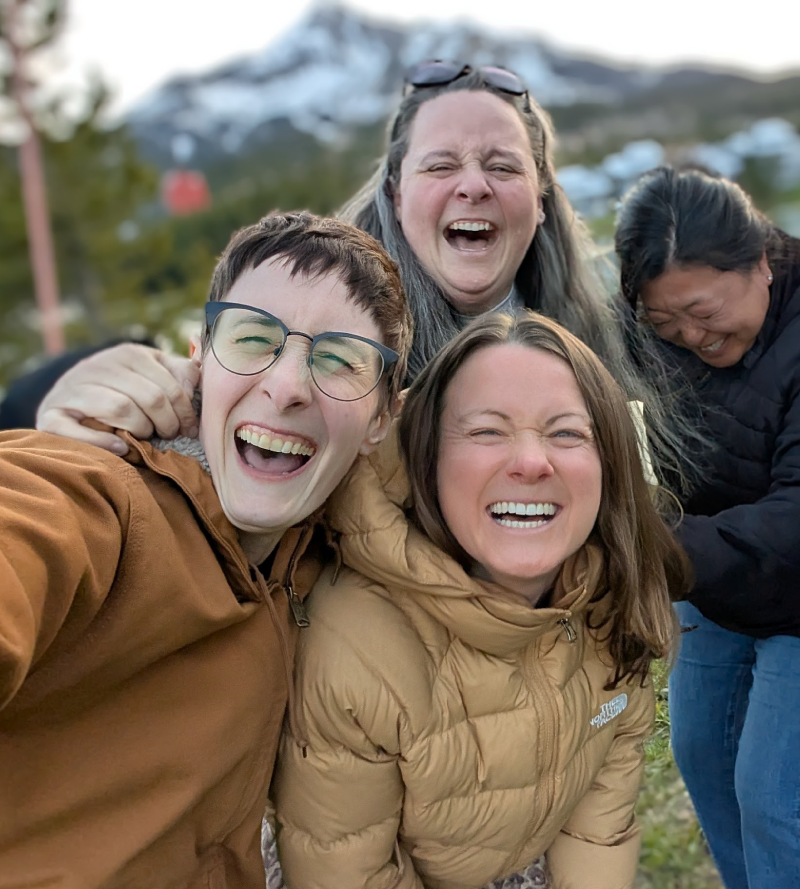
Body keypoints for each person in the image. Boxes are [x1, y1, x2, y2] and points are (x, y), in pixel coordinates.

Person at [33, 62, 695, 493]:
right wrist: (98, 423)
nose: (473, 185)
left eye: (502, 165)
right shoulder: (329, 337)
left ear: (542, 196)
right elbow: (226, 432)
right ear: (395, 194)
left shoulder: (601, 343)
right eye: (441, 166)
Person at [0, 211, 412, 888]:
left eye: (338, 359)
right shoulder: (98, 498)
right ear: (198, 361)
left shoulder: (320, 551)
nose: (286, 386)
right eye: (252, 339)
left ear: (381, 419)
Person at [270, 311, 690, 889]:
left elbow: (599, 827)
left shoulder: (611, 605)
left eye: (567, 432)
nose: (531, 461)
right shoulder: (354, 653)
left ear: (610, 466)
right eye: (487, 431)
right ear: (428, 461)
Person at [615, 165, 800, 889]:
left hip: (787, 586)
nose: (689, 335)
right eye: (664, 322)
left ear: (759, 261)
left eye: (700, 310)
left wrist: (651, 551)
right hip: (715, 578)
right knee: (700, 752)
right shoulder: (647, 330)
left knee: (773, 793)